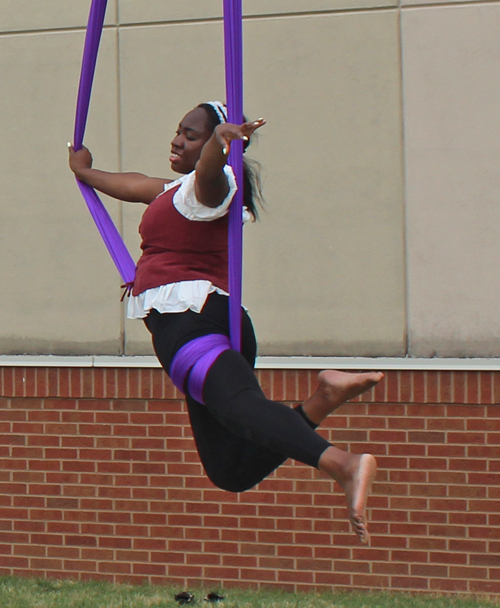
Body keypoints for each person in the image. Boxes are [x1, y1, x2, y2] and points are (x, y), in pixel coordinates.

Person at [68, 101, 384, 544]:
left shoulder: (209, 191)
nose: (178, 140)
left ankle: (342, 464)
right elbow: (135, 185)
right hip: (203, 325)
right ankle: (322, 398)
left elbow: (211, 173)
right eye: (179, 131)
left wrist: (221, 144)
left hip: (195, 325)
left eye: (191, 135)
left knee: (240, 407)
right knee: (230, 469)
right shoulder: (174, 192)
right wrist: (84, 171)